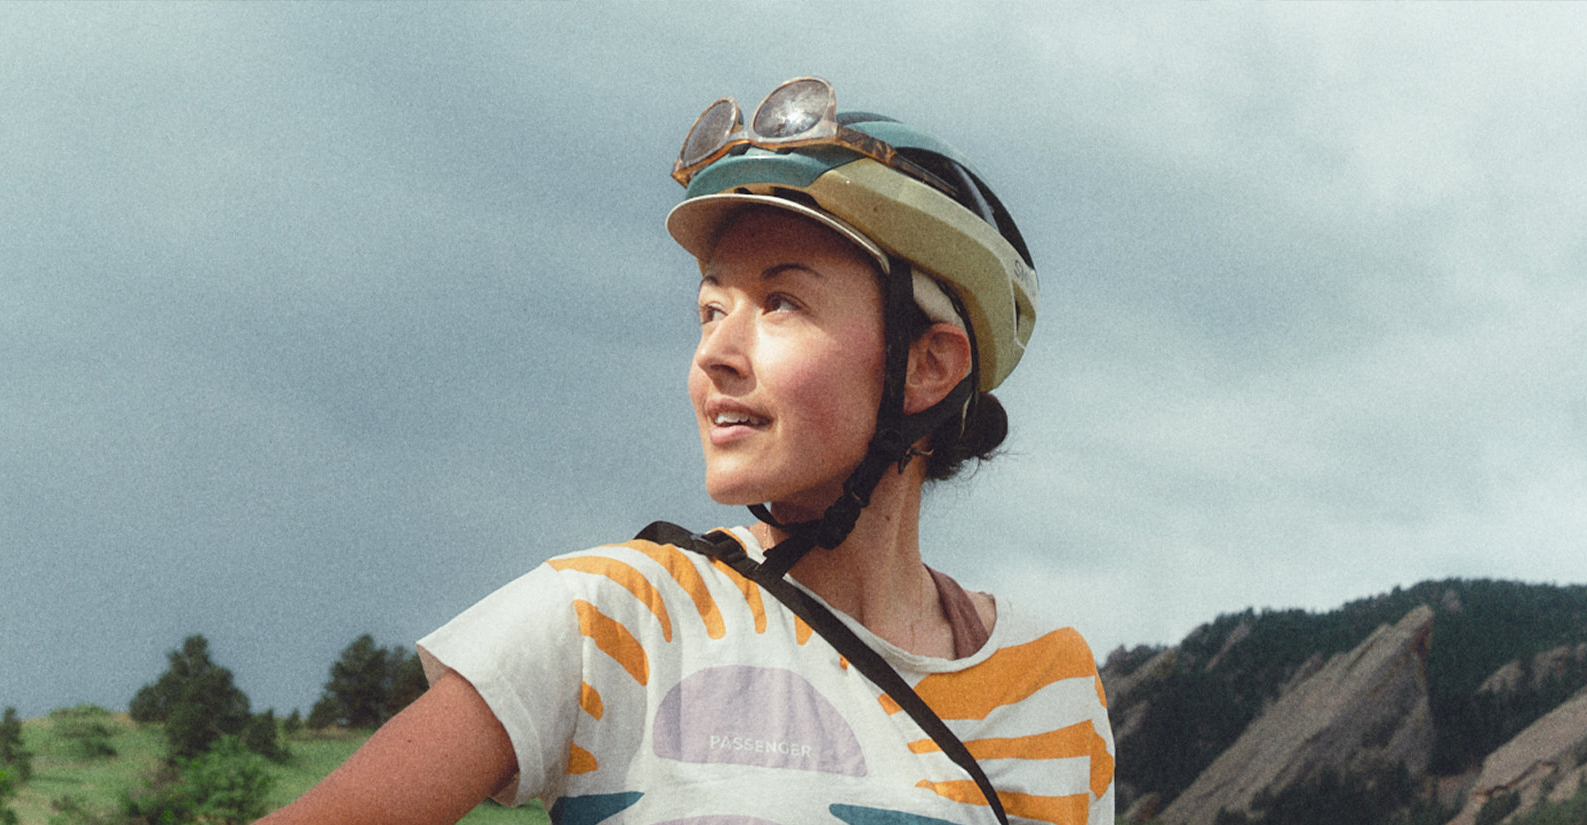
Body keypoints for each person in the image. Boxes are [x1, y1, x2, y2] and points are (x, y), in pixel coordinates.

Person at [257, 76, 1112, 825]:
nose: (716, 352)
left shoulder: (1054, 685)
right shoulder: (615, 614)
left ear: (929, 364)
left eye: (781, 302)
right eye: (711, 309)